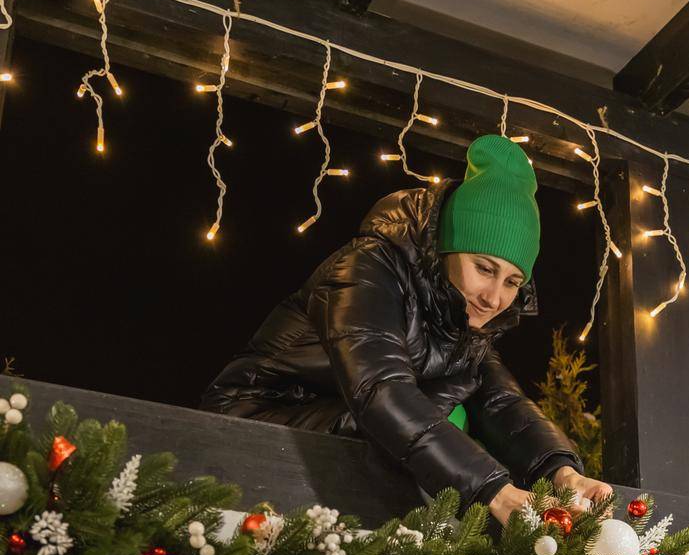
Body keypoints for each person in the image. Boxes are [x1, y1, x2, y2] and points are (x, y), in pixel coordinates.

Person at [199, 133, 614, 524]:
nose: (493, 297)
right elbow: (381, 391)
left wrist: (564, 474)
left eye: (511, 282)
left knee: (461, 409)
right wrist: (496, 493)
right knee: (445, 417)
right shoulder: (364, 271)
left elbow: (502, 401)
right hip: (255, 422)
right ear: (447, 247)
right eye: (484, 269)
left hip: (346, 434)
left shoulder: (459, 316)